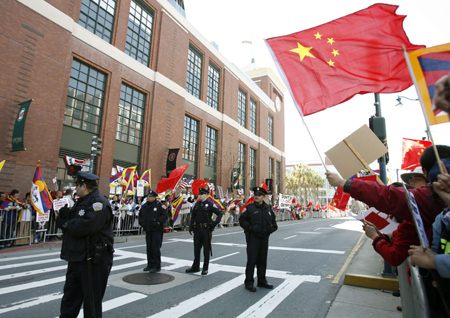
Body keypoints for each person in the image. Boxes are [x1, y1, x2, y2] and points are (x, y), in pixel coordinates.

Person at [325, 145, 450, 243]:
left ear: (426, 173)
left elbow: (388, 196)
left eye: (416, 178)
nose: (412, 182)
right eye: (410, 179)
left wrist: (343, 183)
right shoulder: (432, 197)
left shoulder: (428, 197)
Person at [56, 171, 114, 318]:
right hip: (77, 256)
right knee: (70, 298)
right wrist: (63, 218)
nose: (75, 188)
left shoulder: (98, 203)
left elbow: (85, 226)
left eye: (77, 185)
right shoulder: (80, 202)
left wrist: (67, 224)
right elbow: (71, 223)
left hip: (92, 260)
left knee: (92, 303)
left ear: (84, 186)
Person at [239, 186, 278, 292]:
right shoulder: (250, 208)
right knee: (252, 260)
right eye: (255, 195)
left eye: (259, 195)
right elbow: (242, 220)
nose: (256, 197)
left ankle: (262, 280)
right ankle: (249, 282)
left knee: (262, 260)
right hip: (253, 238)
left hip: (264, 238)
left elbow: (274, 223)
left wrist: (270, 230)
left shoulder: (268, 209)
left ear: (263, 197)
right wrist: (251, 228)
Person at [186, 187, 222, 276]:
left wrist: (214, 224)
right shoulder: (197, 204)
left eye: (202, 194)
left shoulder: (210, 204)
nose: (200, 195)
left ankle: (205, 268)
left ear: (206, 195)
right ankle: (195, 266)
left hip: (206, 230)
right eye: (199, 194)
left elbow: (220, 213)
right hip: (197, 229)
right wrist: (191, 226)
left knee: (206, 250)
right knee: (196, 249)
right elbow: (193, 216)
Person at [138, 191, 168, 273]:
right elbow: (140, 216)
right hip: (148, 229)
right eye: (148, 196)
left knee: (155, 248)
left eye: (150, 196)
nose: (148, 198)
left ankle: (156, 265)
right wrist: (142, 223)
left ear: (155, 197)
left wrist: (158, 222)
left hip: (156, 230)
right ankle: (150, 264)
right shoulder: (144, 206)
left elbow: (165, 215)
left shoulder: (159, 206)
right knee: (149, 248)